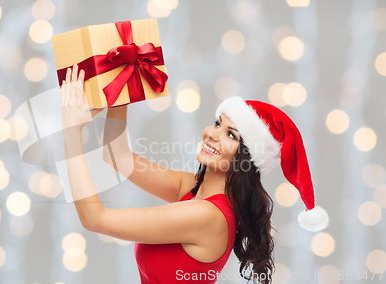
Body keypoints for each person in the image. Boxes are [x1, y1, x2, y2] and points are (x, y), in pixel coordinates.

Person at [60, 64, 329, 284]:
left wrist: (72, 132)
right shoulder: (191, 189)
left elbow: (94, 218)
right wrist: (122, 89)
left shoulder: (207, 215)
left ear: (246, 158)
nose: (211, 133)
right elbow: (116, 155)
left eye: (230, 134)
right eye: (217, 123)